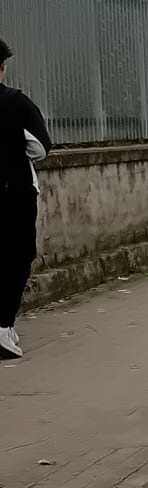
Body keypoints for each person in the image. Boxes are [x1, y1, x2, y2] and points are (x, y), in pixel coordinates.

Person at [0, 37, 54, 360]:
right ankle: (3, 326)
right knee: (17, 256)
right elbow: (41, 147)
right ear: (2, 67)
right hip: (13, 192)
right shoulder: (16, 102)